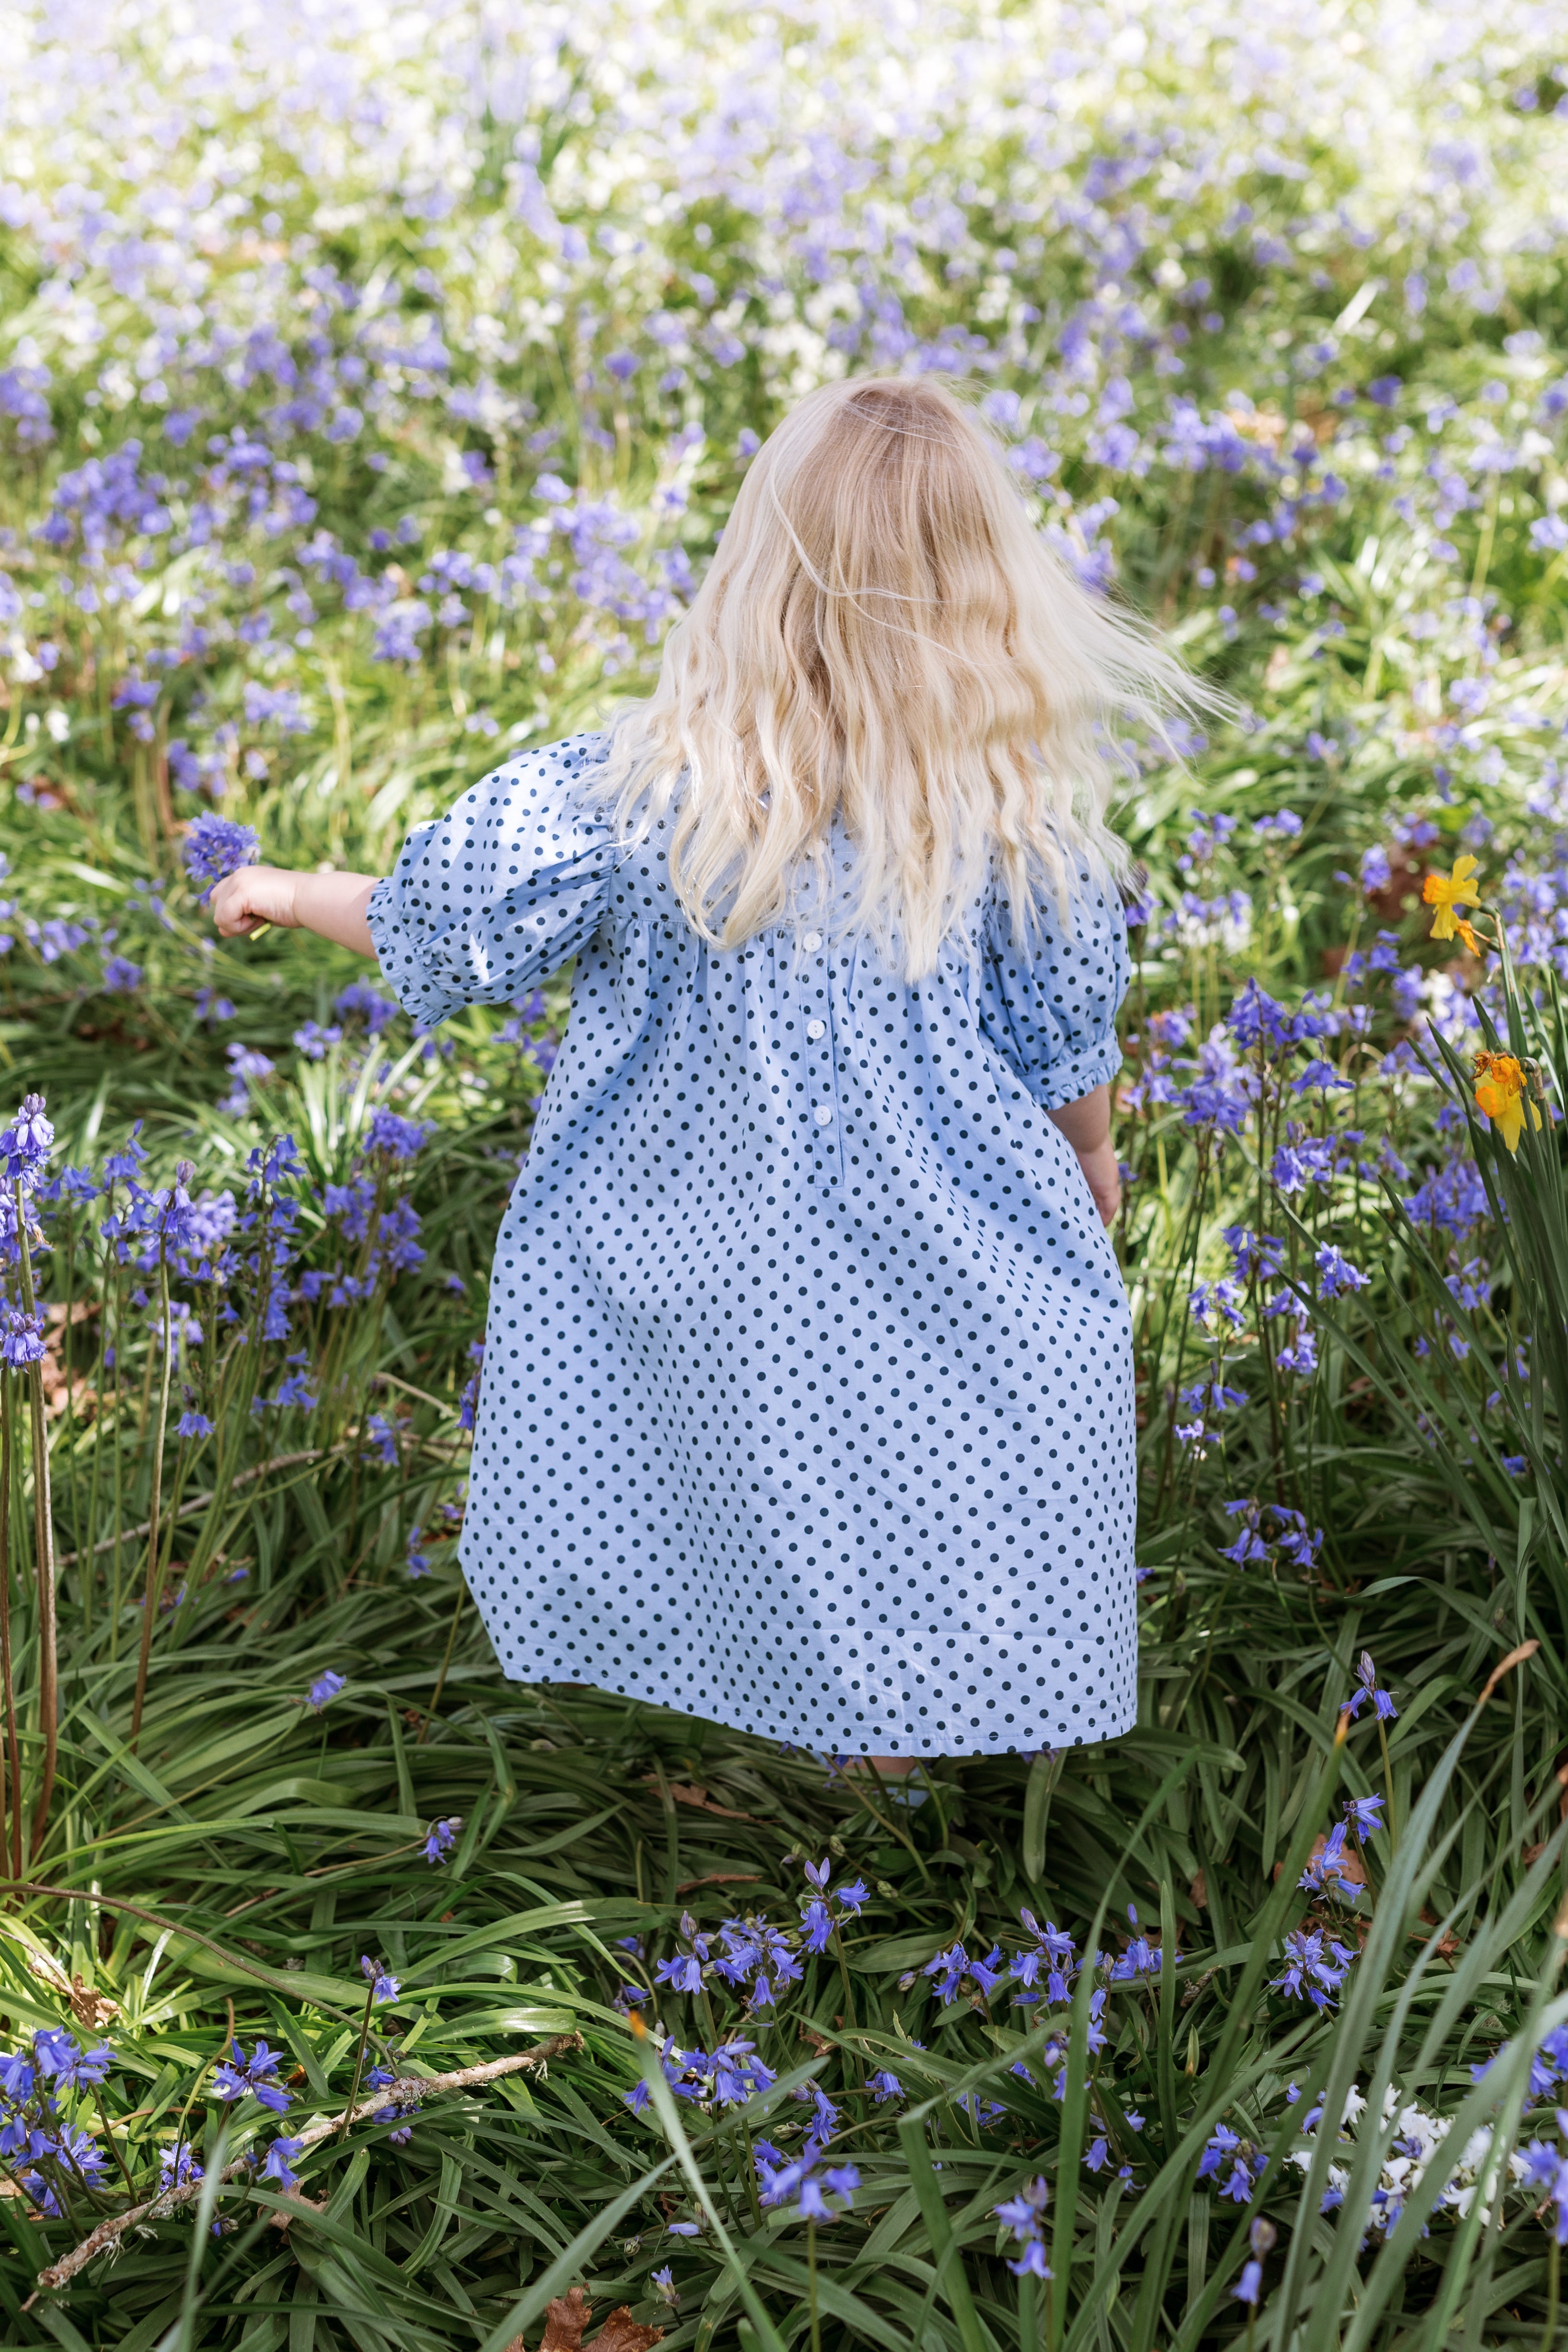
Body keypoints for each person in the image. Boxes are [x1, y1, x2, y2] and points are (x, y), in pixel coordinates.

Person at [210, 374, 1191, 1776]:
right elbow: (1062, 1046)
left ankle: (800, 1729)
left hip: (702, 1243)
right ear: (987, 594)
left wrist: (293, 886)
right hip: (938, 1241)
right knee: (921, 1462)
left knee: (763, 1456)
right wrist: (1090, 1160)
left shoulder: (640, 790)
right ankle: (896, 1753)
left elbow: (448, 915)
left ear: (757, 569)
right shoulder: (1006, 818)